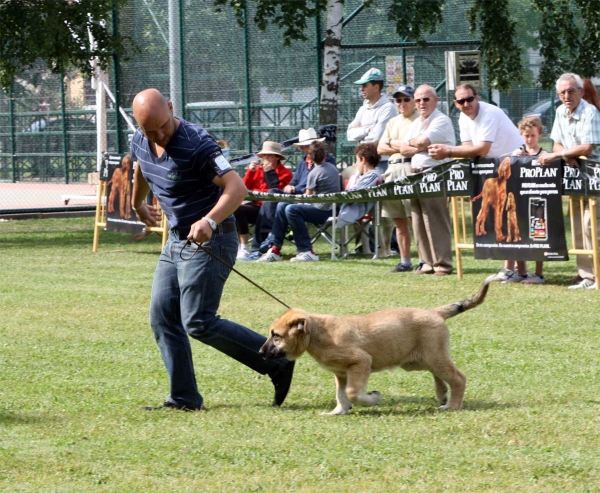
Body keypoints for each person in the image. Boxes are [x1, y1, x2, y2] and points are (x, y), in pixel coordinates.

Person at [129, 88, 295, 411]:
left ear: (172, 108)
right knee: (162, 316)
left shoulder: (197, 144)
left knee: (198, 320)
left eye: (163, 126)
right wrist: (138, 204)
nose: (159, 135)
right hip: (177, 239)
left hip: (213, 237)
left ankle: (277, 362)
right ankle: (185, 398)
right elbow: (142, 165)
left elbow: (237, 188)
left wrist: (209, 220)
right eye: (151, 131)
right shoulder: (141, 139)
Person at [428, 83, 525, 281]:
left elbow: (481, 149)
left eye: (469, 99)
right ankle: (515, 270)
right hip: (494, 171)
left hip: (516, 164)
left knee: (512, 216)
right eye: (461, 101)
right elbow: (467, 147)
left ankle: (517, 271)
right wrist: (452, 153)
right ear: (456, 103)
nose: (466, 104)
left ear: (477, 97)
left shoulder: (490, 113)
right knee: (504, 217)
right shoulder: (463, 117)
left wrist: (448, 151)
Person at [539, 73, 600, 289]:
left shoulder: (590, 112)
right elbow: (556, 143)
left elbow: (587, 147)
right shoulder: (559, 112)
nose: (567, 95)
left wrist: (561, 155)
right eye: (563, 92)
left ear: (581, 92)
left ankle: (598, 275)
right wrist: (566, 154)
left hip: (595, 177)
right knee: (576, 225)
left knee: (592, 225)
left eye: (571, 91)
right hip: (574, 176)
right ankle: (586, 275)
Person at [243, 128, 336, 260]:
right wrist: (290, 186)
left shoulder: (324, 164)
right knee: (276, 199)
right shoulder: (303, 162)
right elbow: (295, 181)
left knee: (286, 206)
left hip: (315, 202)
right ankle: (273, 247)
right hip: (299, 198)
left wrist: (275, 177)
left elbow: (311, 187)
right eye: (303, 147)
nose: (303, 150)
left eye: (305, 147)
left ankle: (277, 242)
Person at [397, 84, 455, 275]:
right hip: (415, 171)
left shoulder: (441, 120)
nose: (422, 103)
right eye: (418, 100)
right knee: (418, 219)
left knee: (435, 219)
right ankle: (427, 262)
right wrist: (419, 145)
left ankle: (442, 264)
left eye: (426, 99)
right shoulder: (415, 123)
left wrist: (417, 144)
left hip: (435, 173)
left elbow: (419, 142)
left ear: (436, 100)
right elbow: (403, 148)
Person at [347, 67, 398, 257]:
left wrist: (364, 130)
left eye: (365, 85)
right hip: (362, 164)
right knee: (355, 201)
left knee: (381, 208)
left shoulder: (388, 108)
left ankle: (388, 246)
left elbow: (376, 138)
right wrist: (366, 130)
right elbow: (350, 134)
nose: (361, 89)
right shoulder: (363, 108)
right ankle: (365, 245)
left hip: (382, 163)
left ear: (376, 86)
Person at [377, 84, 419, 272]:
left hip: (411, 168)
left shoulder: (420, 120)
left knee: (415, 218)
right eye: (398, 100)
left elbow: (414, 148)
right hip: (392, 170)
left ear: (414, 101)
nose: (402, 103)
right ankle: (405, 261)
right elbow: (380, 148)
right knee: (399, 220)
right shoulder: (392, 122)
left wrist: (391, 144)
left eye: (406, 99)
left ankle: (424, 260)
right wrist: (400, 145)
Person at [234, 141, 292, 259]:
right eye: (264, 155)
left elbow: (275, 192)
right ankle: (244, 247)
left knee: (266, 206)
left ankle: (259, 246)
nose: (265, 158)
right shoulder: (257, 170)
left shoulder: (285, 173)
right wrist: (250, 172)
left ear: (277, 157)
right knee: (238, 209)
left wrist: (270, 173)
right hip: (255, 205)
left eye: (269, 155)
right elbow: (243, 187)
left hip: (272, 209)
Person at [511, 116, 547, 284]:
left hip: (539, 201)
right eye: (526, 136)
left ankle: (538, 273)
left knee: (538, 235)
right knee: (519, 234)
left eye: (533, 135)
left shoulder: (545, 155)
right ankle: (521, 271)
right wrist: (516, 160)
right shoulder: (516, 153)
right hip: (520, 200)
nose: (529, 139)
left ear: (539, 134)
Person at [336, 142, 383, 229]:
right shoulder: (362, 176)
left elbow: (354, 194)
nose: (355, 164)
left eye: (357, 160)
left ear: (363, 159)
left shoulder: (373, 175)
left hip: (353, 210)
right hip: (349, 209)